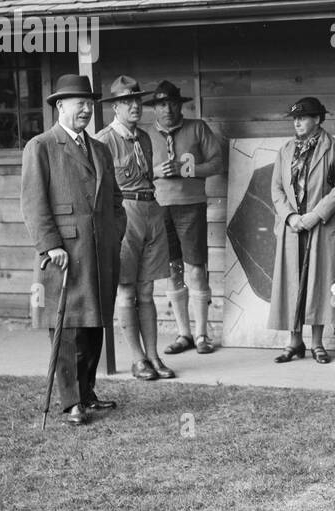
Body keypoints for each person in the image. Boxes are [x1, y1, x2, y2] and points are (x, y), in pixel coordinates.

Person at [21, 74, 126, 425]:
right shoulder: (41, 146)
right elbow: (34, 204)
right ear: (59, 106)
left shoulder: (99, 148)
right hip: (64, 253)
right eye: (78, 103)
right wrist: (51, 246)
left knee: (95, 322)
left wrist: (114, 233)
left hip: (99, 250)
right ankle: (70, 403)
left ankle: (87, 391)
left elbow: (115, 200)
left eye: (89, 103)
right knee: (66, 326)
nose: (85, 109)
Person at [93, 75, 174, 381]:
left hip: (151, 208)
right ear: (115, 106)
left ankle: (153, 356)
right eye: (127, 101)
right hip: (123, 213)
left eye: (138, 100)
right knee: (126, 292)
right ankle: (137, 359)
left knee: (148, 290)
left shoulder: (144, 138)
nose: (135, 106)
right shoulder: (103, 141)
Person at [147, 80, 226, 356]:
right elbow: (134, 173)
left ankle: (203, 334)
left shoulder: (197, 128)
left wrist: (186, 170)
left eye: (172, 103)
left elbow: (217, 162)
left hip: (191, 206)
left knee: (195, 267)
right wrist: (155, 171)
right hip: (159, 207)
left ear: (180, 105)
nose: (167, 109)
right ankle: (184, 334)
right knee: (172, 269)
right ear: (154, 108)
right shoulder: (145, 135)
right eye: (161, 104)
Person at [267, 97, 335, 364]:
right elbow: (276, 188)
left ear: (318, 120)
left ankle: (318, 343)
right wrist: (290, 217)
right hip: (292, 228)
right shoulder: (286, 150)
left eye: (304, 117)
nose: (298, 122)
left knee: (317, 281)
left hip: (320, 226)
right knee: (292, 281)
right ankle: (294, 342)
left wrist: (315, 215)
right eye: (295, 118)